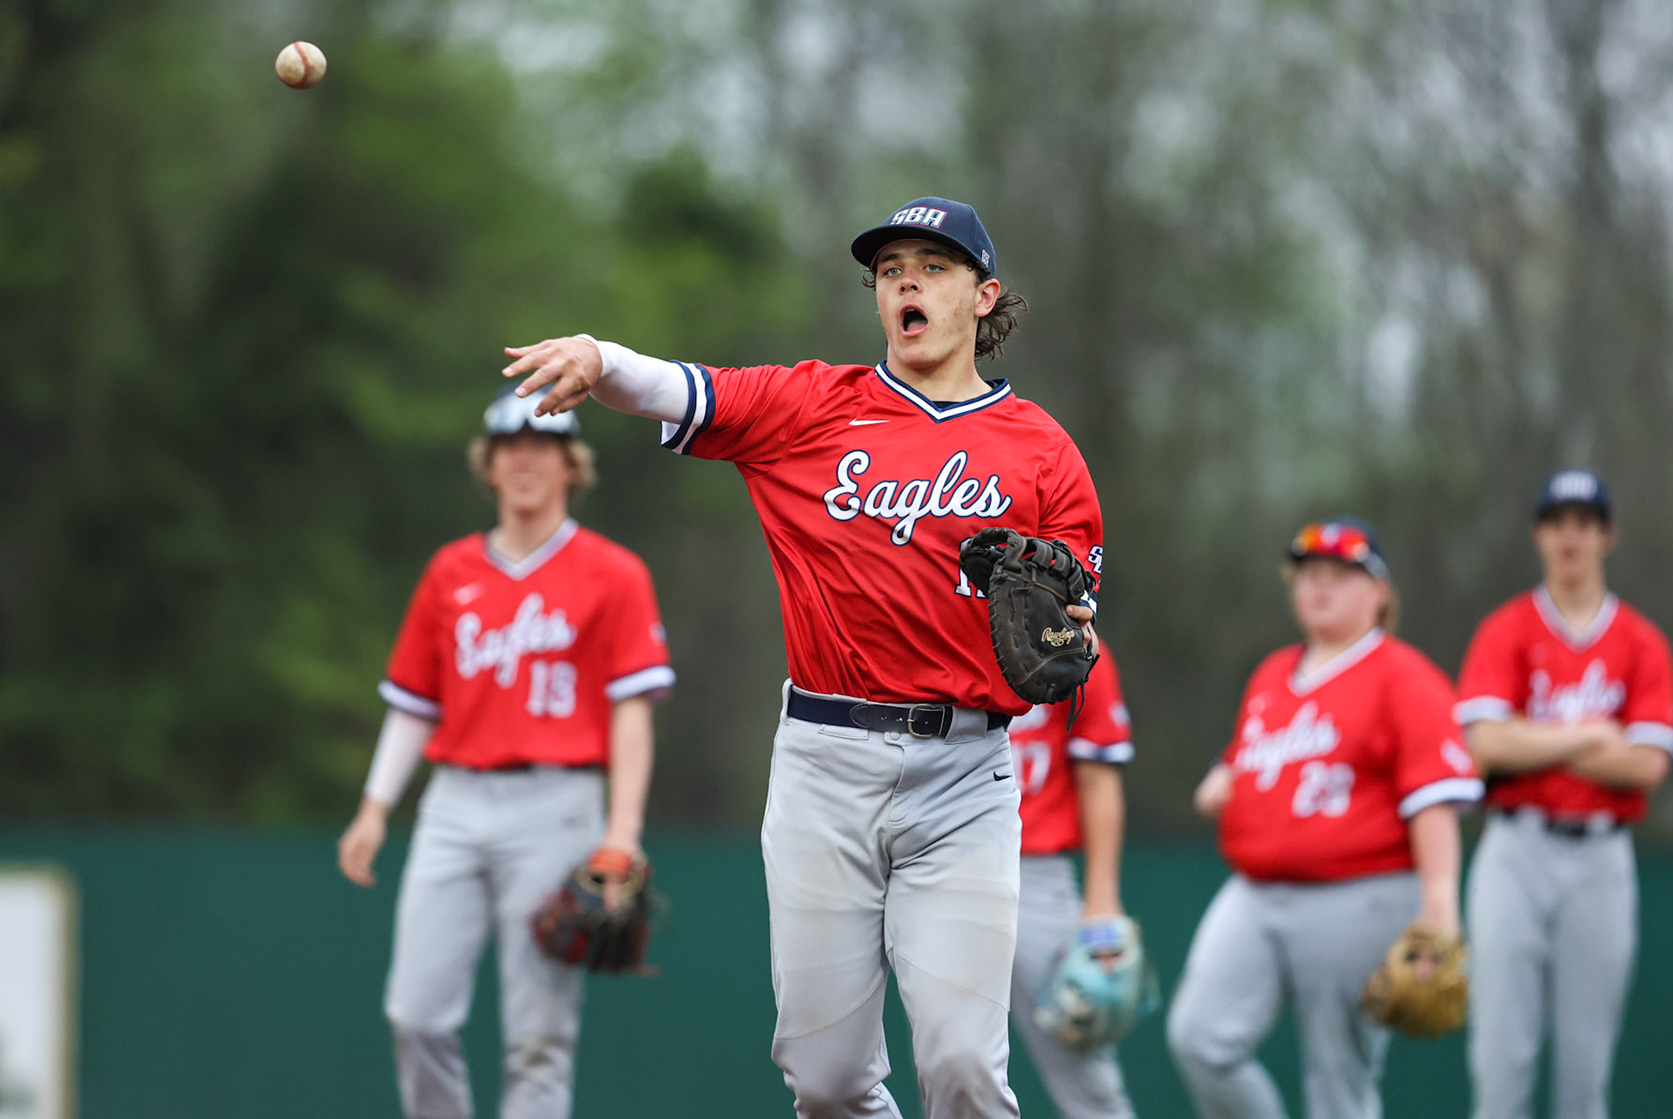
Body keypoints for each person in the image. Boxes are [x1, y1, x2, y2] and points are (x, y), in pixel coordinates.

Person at [503, 196, 1104, 1118]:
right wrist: (598, 356)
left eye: (933, 267)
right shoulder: (810, 406)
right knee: (825, 1084)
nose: (907, 281)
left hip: (966, 776)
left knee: (965, 1073)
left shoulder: (1044, 452)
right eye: (891, 268)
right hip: (826, 764)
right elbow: (674, 386)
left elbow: (1075, 628)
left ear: (984, 298)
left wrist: (1065, 629)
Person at [335, 388, 673, 1119]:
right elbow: (413, 707)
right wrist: (373, 809)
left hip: (556, 805)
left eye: (542, 446)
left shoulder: (613, 573)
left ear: (569, 465)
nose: (525, 459)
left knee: (538, 1038)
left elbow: (632, 714)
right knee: (415, 1015)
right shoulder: (450, 572)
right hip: (454, 801)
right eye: (510, 448)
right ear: (488, 466)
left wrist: (622, 832)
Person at [1168, 518, 1483, 1119]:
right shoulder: (1271, 674)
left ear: (1379, 592)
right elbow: (1250, 758)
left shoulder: (1405, 677)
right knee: (1200, 1039)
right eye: (1309, 573)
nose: (1320, 586)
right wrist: (1226, 772)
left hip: (1360, 893)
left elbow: (1434, 802)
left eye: (1340, 574)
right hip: (1255, 893)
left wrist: (1439, 914)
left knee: (1337, 1084)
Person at [1456, 469, 1672, 1119]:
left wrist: (1534, 736)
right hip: (1515, 850)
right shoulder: (1508, 629)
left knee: (1585, 1077)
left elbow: (1644, 766)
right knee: (1500, 1066)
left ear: (1606, 535)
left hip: (1600, 861)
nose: (1569, 537)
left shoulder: (1639, 641)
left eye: (1583, 523)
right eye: (1557, 524)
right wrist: (1587, 734)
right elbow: (1484, 745)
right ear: (1538, 535)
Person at [1006, 643, 1138, 1118]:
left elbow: (1099, 777)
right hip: (938, 863)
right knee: (948, 1062)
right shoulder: (934, 625)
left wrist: (1101, 905)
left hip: (1034, 872)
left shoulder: (1070, 641)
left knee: (1082, 1067)